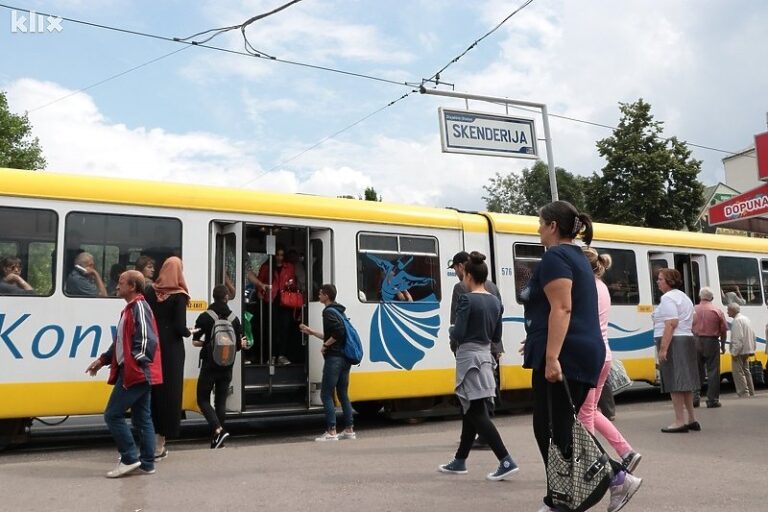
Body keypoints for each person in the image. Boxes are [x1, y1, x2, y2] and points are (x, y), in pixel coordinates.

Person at [521, 201, 640, 512]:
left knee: (553, 428)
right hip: (580, 350)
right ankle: (564, 496)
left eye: (540, 223)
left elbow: (563, 308)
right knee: (553, 426)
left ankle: (606, 481)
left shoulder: (556, 256)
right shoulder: (575, 257)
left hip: (568, 354)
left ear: (552, 226)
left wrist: (551, 357)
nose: (537, 229)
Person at [438, 251, 518, 481]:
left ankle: (505, 460)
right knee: (471, 409)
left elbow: (459, 332)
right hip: (486, 355)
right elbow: (497, 334)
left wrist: (452, 332)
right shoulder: (494, 300)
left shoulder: (466, 298)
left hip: (469, 357)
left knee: (475, 411)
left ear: (469, 276)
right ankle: (460, 460)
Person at [85, 270, 162, 478]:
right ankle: (147, 463)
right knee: (142, 418)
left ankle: (129, 457)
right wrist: (102, 360)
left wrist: (135, 363)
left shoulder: (138, 307)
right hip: (137, 371)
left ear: (132, 287)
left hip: (135, 372)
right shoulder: (131, 308)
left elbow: (147, 340)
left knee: (112, 414)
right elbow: (120, 342)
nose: (117, 286)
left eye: (121, 282)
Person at [578, 247, 642, 472]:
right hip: (604, 354)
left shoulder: (585, 288)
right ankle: (626, 452)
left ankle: (590, 464)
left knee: (584, 413)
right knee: (592, 410)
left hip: (589, 356)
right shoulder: (602, 287)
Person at [448, 250, 503, 449]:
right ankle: (466, 448)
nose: (455, 272)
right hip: (490, 347)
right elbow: (498, 319)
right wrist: (496, 346)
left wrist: (453, 341)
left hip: (469, 349)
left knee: (470, 398)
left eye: (455, 267)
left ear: (462, 267)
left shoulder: (461, 289)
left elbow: (457, 323)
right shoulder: (493, 288)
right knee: (484, 392)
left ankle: (499, 452)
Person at [144, 256, 193, 458]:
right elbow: (180, 327)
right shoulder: (179, 296)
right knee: (170, 393)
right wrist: (191, 331)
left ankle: (149, 438)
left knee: (154, 392)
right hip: (171, 349)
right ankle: (161, 443)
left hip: (153, 347)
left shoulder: (150, 291)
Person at [299, 284, 356, 442]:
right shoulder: (339, 311)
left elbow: (339, 333)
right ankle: (349, 429)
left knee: (326, 394)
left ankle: (331, 431)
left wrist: (325, 345)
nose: (319, 296)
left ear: (327, 296)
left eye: (320, 293)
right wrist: (311, 332)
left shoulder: (328, 312)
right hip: (344, 358)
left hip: (335, 359)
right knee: (343, 394)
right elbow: (334, 334)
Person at [192, 285, 246, 448]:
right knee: (221, 403)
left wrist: (207, 344)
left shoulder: (205, 317)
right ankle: (218, 441)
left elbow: (195, 341)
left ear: (213, 297)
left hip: (210, 365)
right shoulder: (234, 319)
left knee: (202, 399)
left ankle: (218, 430)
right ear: (227, 297)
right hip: (227, 366)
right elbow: (239, 345)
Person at [653, 268, 700, 433]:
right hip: (686, 338)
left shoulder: (667, 298)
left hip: (674, 341)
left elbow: (671, 323)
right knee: (685, 382)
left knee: (674, 382)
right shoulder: (684, 297)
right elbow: (694, 319)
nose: (658, 282)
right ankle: (692, 419)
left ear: (669, 281)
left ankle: (679, 421)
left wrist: (664, 348)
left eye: (660, 279)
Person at [249, 245, 297, 365]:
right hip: (271, 300)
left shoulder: (289, 267)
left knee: (285, 328)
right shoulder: (266, 267)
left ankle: (281, 354)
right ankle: (271, 355)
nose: (280, 257)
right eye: (278, 254)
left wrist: (291, 285)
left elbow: (293, 282)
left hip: (285, 301)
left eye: (281, 255)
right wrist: (260, 293)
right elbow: (260, 281)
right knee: (272, 329)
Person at [692, 287, 728, 408]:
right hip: (712, 342)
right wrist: (722, 345)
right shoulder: (717, 311)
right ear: (712, 298)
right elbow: (723, 330)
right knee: (713, 371)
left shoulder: (693, 310)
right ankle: (712, 400)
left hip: (695, 340)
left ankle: (694, 398)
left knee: (696, 371)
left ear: (700, 297)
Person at [727, 303, 756, 398]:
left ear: (732, 311)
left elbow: (738, 338)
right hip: (747, 349)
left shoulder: (736, 321)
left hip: (740, 351)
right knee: (746, 371)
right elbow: (753, 335)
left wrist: (734, 352)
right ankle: (751, 392)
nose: (727, 312)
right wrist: (753, 348)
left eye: (728, 310)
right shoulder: (746, 319)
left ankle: (743, 393)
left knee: (738, 372)